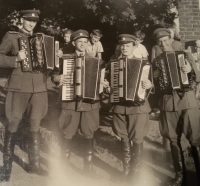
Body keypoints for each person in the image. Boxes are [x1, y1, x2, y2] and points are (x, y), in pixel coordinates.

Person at [0, 9, 48, 180]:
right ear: (22, 20)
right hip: (19, 86)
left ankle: (34, 166)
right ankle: (6, 169)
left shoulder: (42, 39)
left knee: (35, 125)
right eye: (28, 20)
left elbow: (48, 65)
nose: (31, 24)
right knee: (13, 123)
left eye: (34, 21)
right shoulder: (11, 36)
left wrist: (55, 58)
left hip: (39, 88)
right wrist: (15, 60)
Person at [51, 29, 106, 177]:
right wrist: (57, 78)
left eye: (85, 42)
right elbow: (54, 74)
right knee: (67, 132)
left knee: (89, 133)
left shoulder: (97, 62)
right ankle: (62, 166)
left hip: (90, 103)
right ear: (74, 43)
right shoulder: (65, 59)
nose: (82, 44)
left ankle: (88, 168)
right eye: (79, 42)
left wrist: (103, 83)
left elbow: (101, 82)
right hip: (70, 102)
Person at [152, 28, 200, 186]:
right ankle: (180, 176)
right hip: (168, 102)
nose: (163, 44)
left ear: (171, 40)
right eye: (160, 42)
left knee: (195, 138)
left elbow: (198, 77)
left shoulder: (185, 55)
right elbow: (155, 86)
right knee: (173, 139)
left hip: (187, 100)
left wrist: (190, 70)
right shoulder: (157, 61)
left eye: (166, 41)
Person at [107, 34, 152, 184]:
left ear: (134, 46)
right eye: (123, 45)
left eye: (128, 45)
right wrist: (107, 86)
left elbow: (154, 83)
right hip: (120, 106)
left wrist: (150, 85)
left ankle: (136, 173)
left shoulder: (144, 64)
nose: (125, 48)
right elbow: (106, 82)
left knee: (137, 138)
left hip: (138, 107)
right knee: (124, 137)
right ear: (120, 47)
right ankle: (126, 171)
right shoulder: (113, 63)